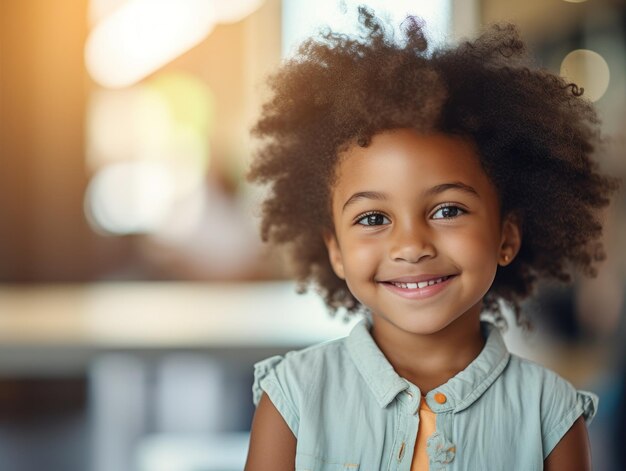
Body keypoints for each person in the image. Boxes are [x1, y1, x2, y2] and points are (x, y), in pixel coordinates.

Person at [244, 7, 619, 470]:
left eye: (447, 210)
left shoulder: (550, 413)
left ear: (506, 236)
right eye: (373, 217)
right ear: (336, 251)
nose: (411, 244)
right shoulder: (292, 398)